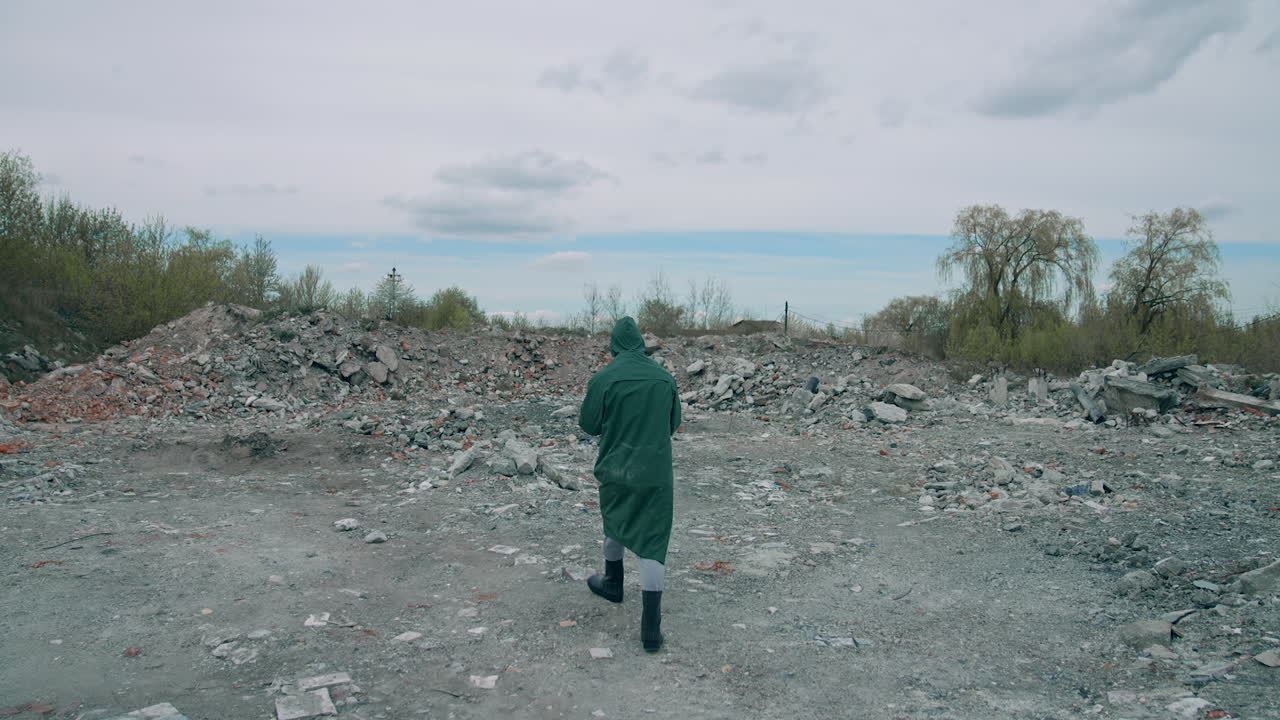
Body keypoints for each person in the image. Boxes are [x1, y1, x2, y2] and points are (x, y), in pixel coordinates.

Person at [578, 316, 681, 652]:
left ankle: (613, 583)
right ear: (640, 343)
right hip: (655, 473)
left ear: (615, 345)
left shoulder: (604, 378)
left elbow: (589, 426)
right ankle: (651, 630)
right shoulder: (664, 379)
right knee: (653, 541)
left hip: (617, 469)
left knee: (615, 521)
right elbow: (673, 424)